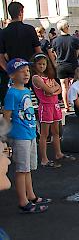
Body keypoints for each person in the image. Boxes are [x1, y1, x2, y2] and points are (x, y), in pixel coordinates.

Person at [2, 58, 50, 213]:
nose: (26, 74)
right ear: (11, 75)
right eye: (21, 72)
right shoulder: (12, 93)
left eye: (27, 71)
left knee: (28, 168)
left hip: (29, 133)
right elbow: (7, 116)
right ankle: (23, 200)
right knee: (22, 169)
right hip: (19, 135)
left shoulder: (26, 91)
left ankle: (31, 195)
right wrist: (4, 139)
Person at [31, 54, 74, 168]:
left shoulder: (48, 76)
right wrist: (53, 90)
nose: (42, 66)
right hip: (45, 106)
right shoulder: (36, 78)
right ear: (35, 65)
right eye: (39, 64)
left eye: (44, 64)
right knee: (44, 134)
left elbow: (58, 88)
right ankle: (44, 159)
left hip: (54, 105)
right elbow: (49, 89)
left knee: (56, 132)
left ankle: (58, 153)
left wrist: (53, 91)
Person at [0, 2, 42, 100]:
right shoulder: (30, 29)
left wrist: (9, 71)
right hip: (31, 69)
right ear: (21, 12)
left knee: (17, 101)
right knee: (39, 98)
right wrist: (40, 69)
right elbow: (39, 52)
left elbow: (1, 58)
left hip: (14, 70)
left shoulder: (4, 32)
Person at [52, 20, 79, 112]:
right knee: (75, 86)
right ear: (66, 28)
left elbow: (55, 53)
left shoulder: (55, 40)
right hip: (72, 64)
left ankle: (66, 106)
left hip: (61, 65)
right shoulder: (74, 39)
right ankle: (76, 104)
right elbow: (77, 52)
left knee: (64, 87)